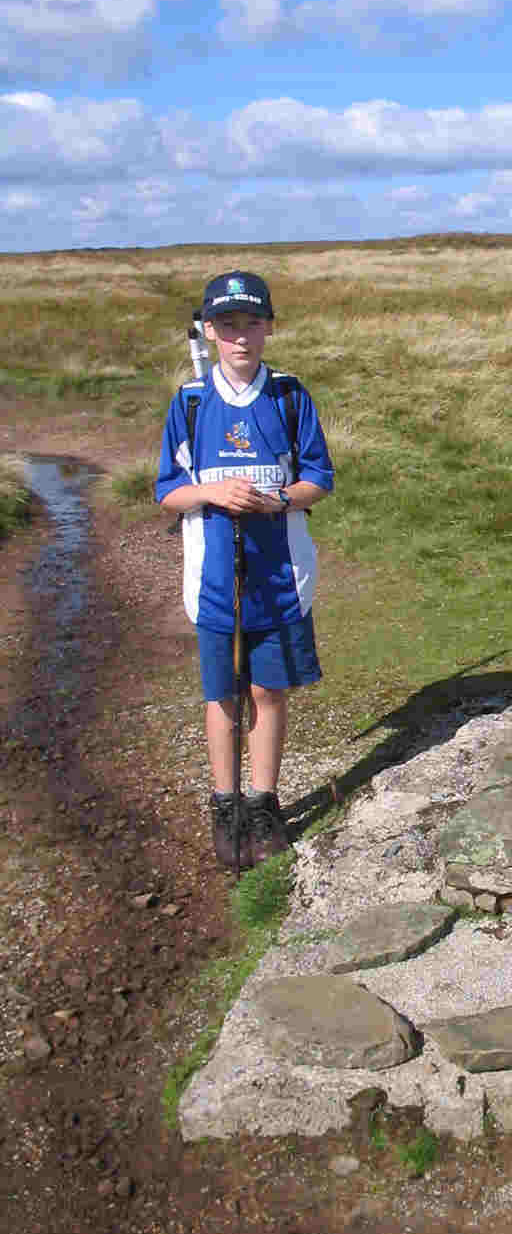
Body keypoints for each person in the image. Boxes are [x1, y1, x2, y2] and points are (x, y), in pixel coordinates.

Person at [156, 271, 334, 869]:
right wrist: (213, 493)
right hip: (212, 575)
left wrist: (277, 499)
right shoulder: (191, 401)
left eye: (251, 324)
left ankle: (263, 801)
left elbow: (318, 481)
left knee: (266, 688)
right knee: (224, 692)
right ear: (210, 330)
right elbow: (167, 494)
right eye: (227, 326)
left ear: (268, 327)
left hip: (281, 573)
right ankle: (224, 803)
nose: (240, 337)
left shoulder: (289, 397)